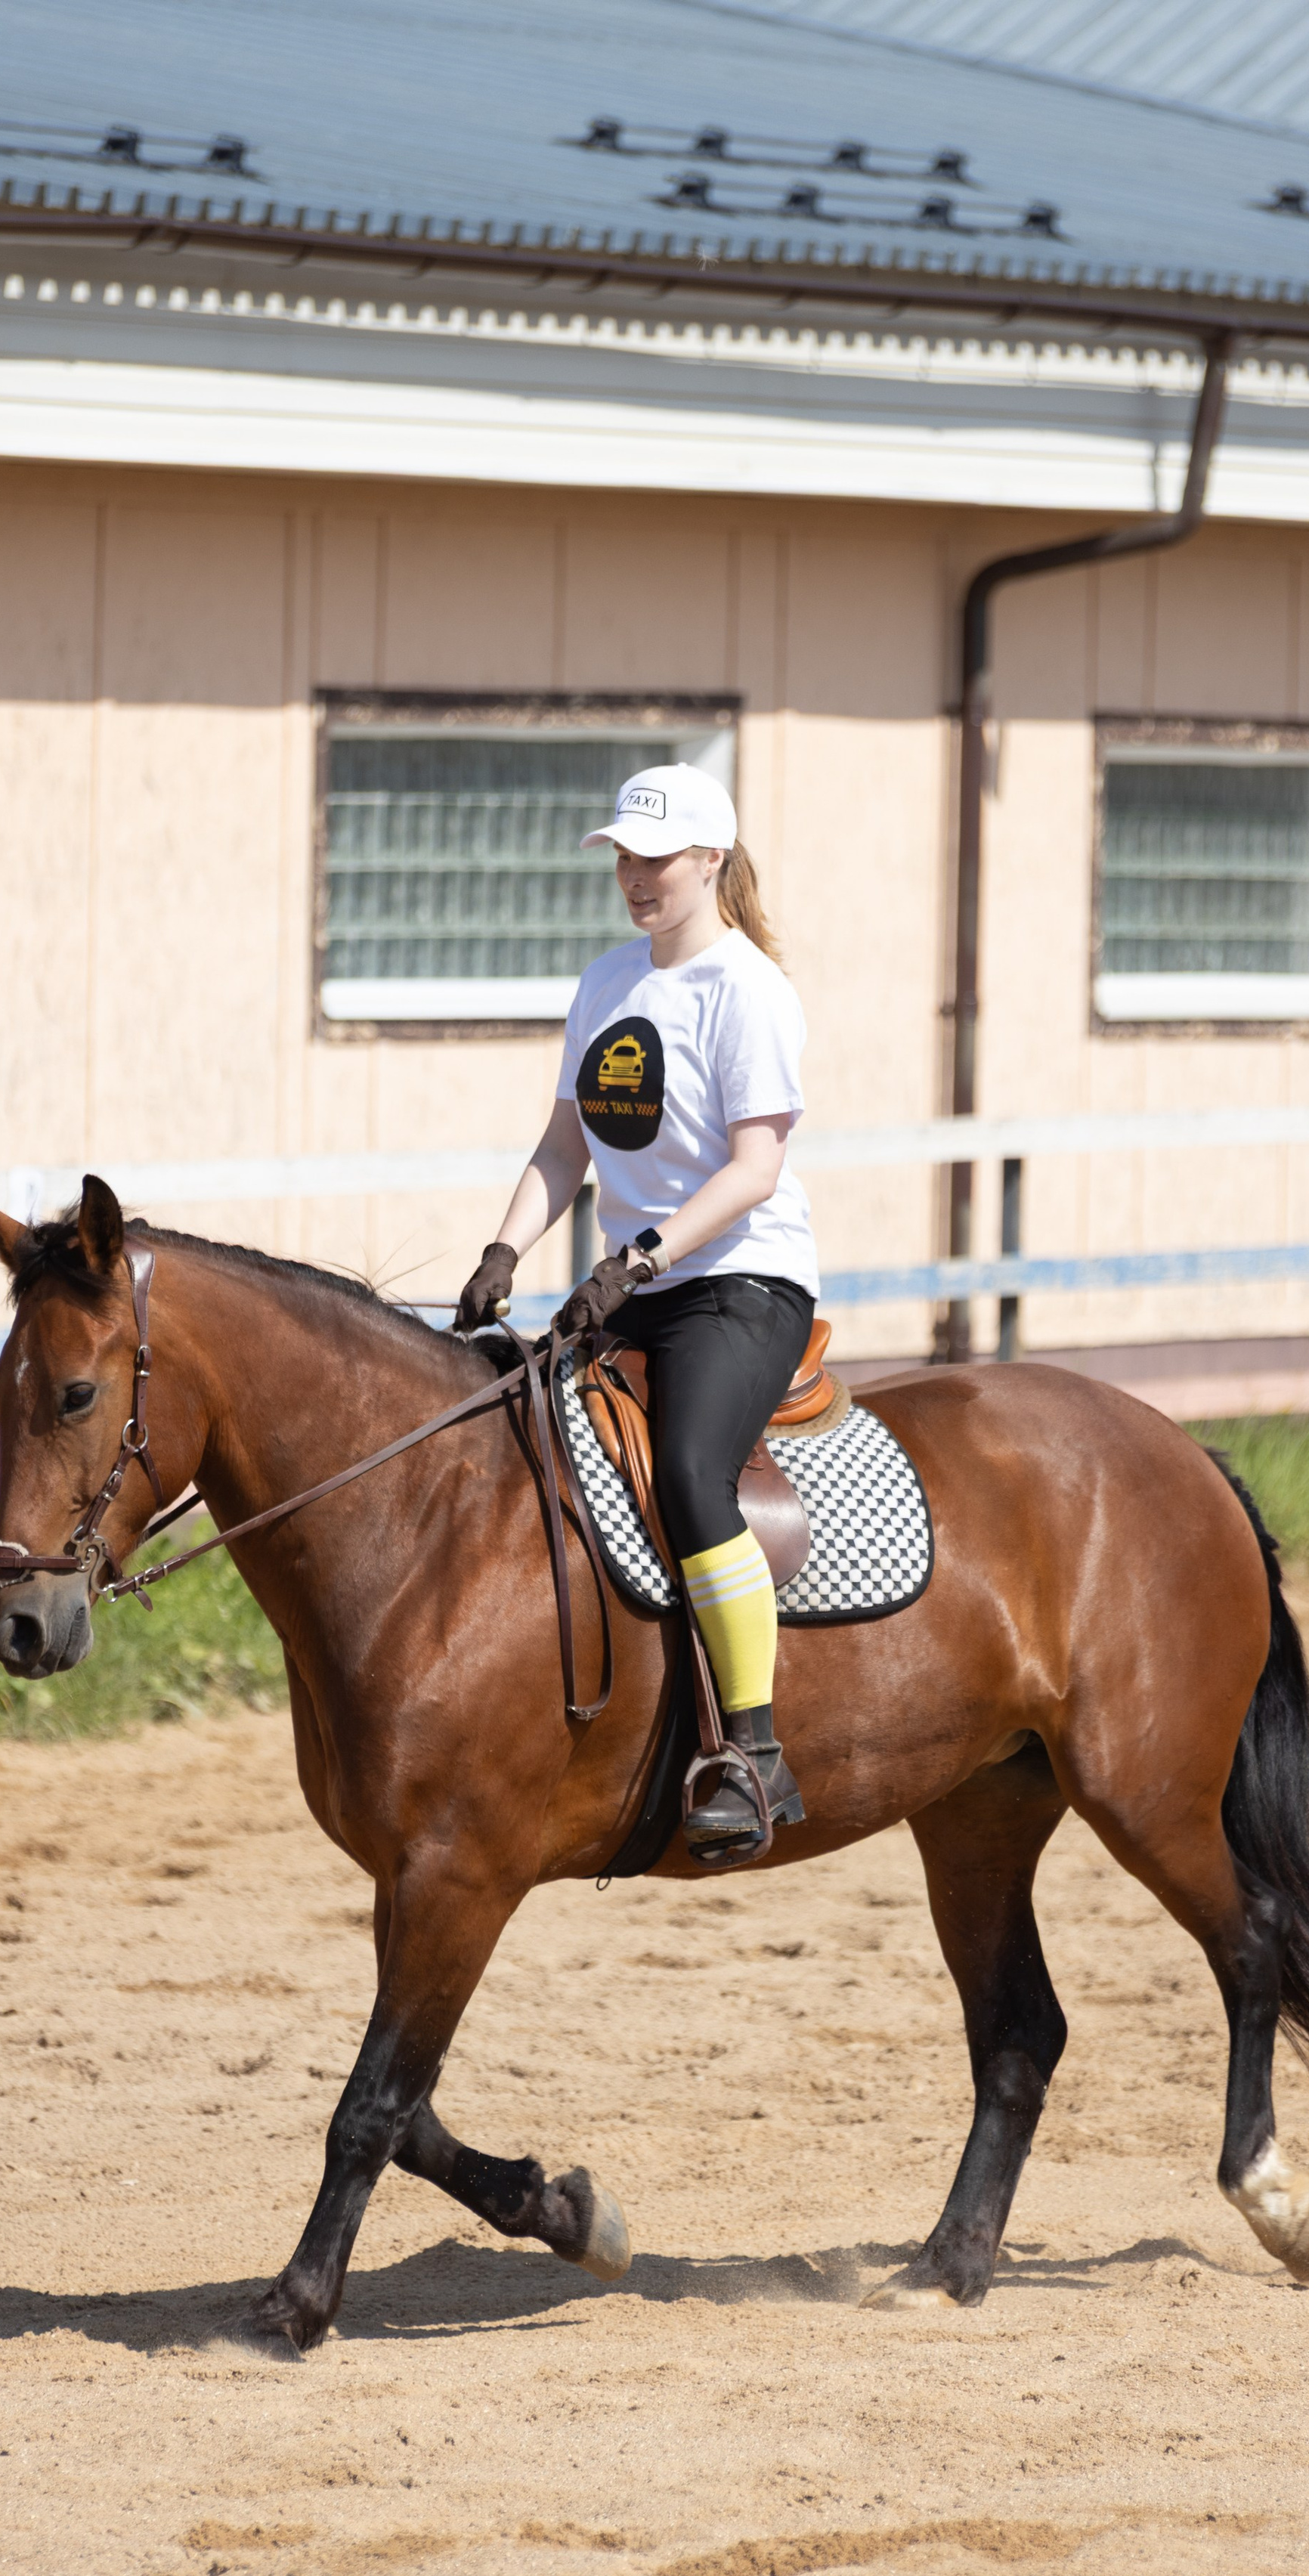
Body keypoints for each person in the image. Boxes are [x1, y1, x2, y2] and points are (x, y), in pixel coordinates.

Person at [454, 762, 819, 1856]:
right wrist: (504, 1247)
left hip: (740, 1284)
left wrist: (640, 1257)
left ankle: (754, 1754)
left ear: (710, 860)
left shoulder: (748, 991)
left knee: (689, 1474)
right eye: (622, 855)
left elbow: (755, 1168)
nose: (633, 876)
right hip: (635, 1281)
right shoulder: (609, 982)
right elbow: (566, 1144)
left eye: (654, 857)